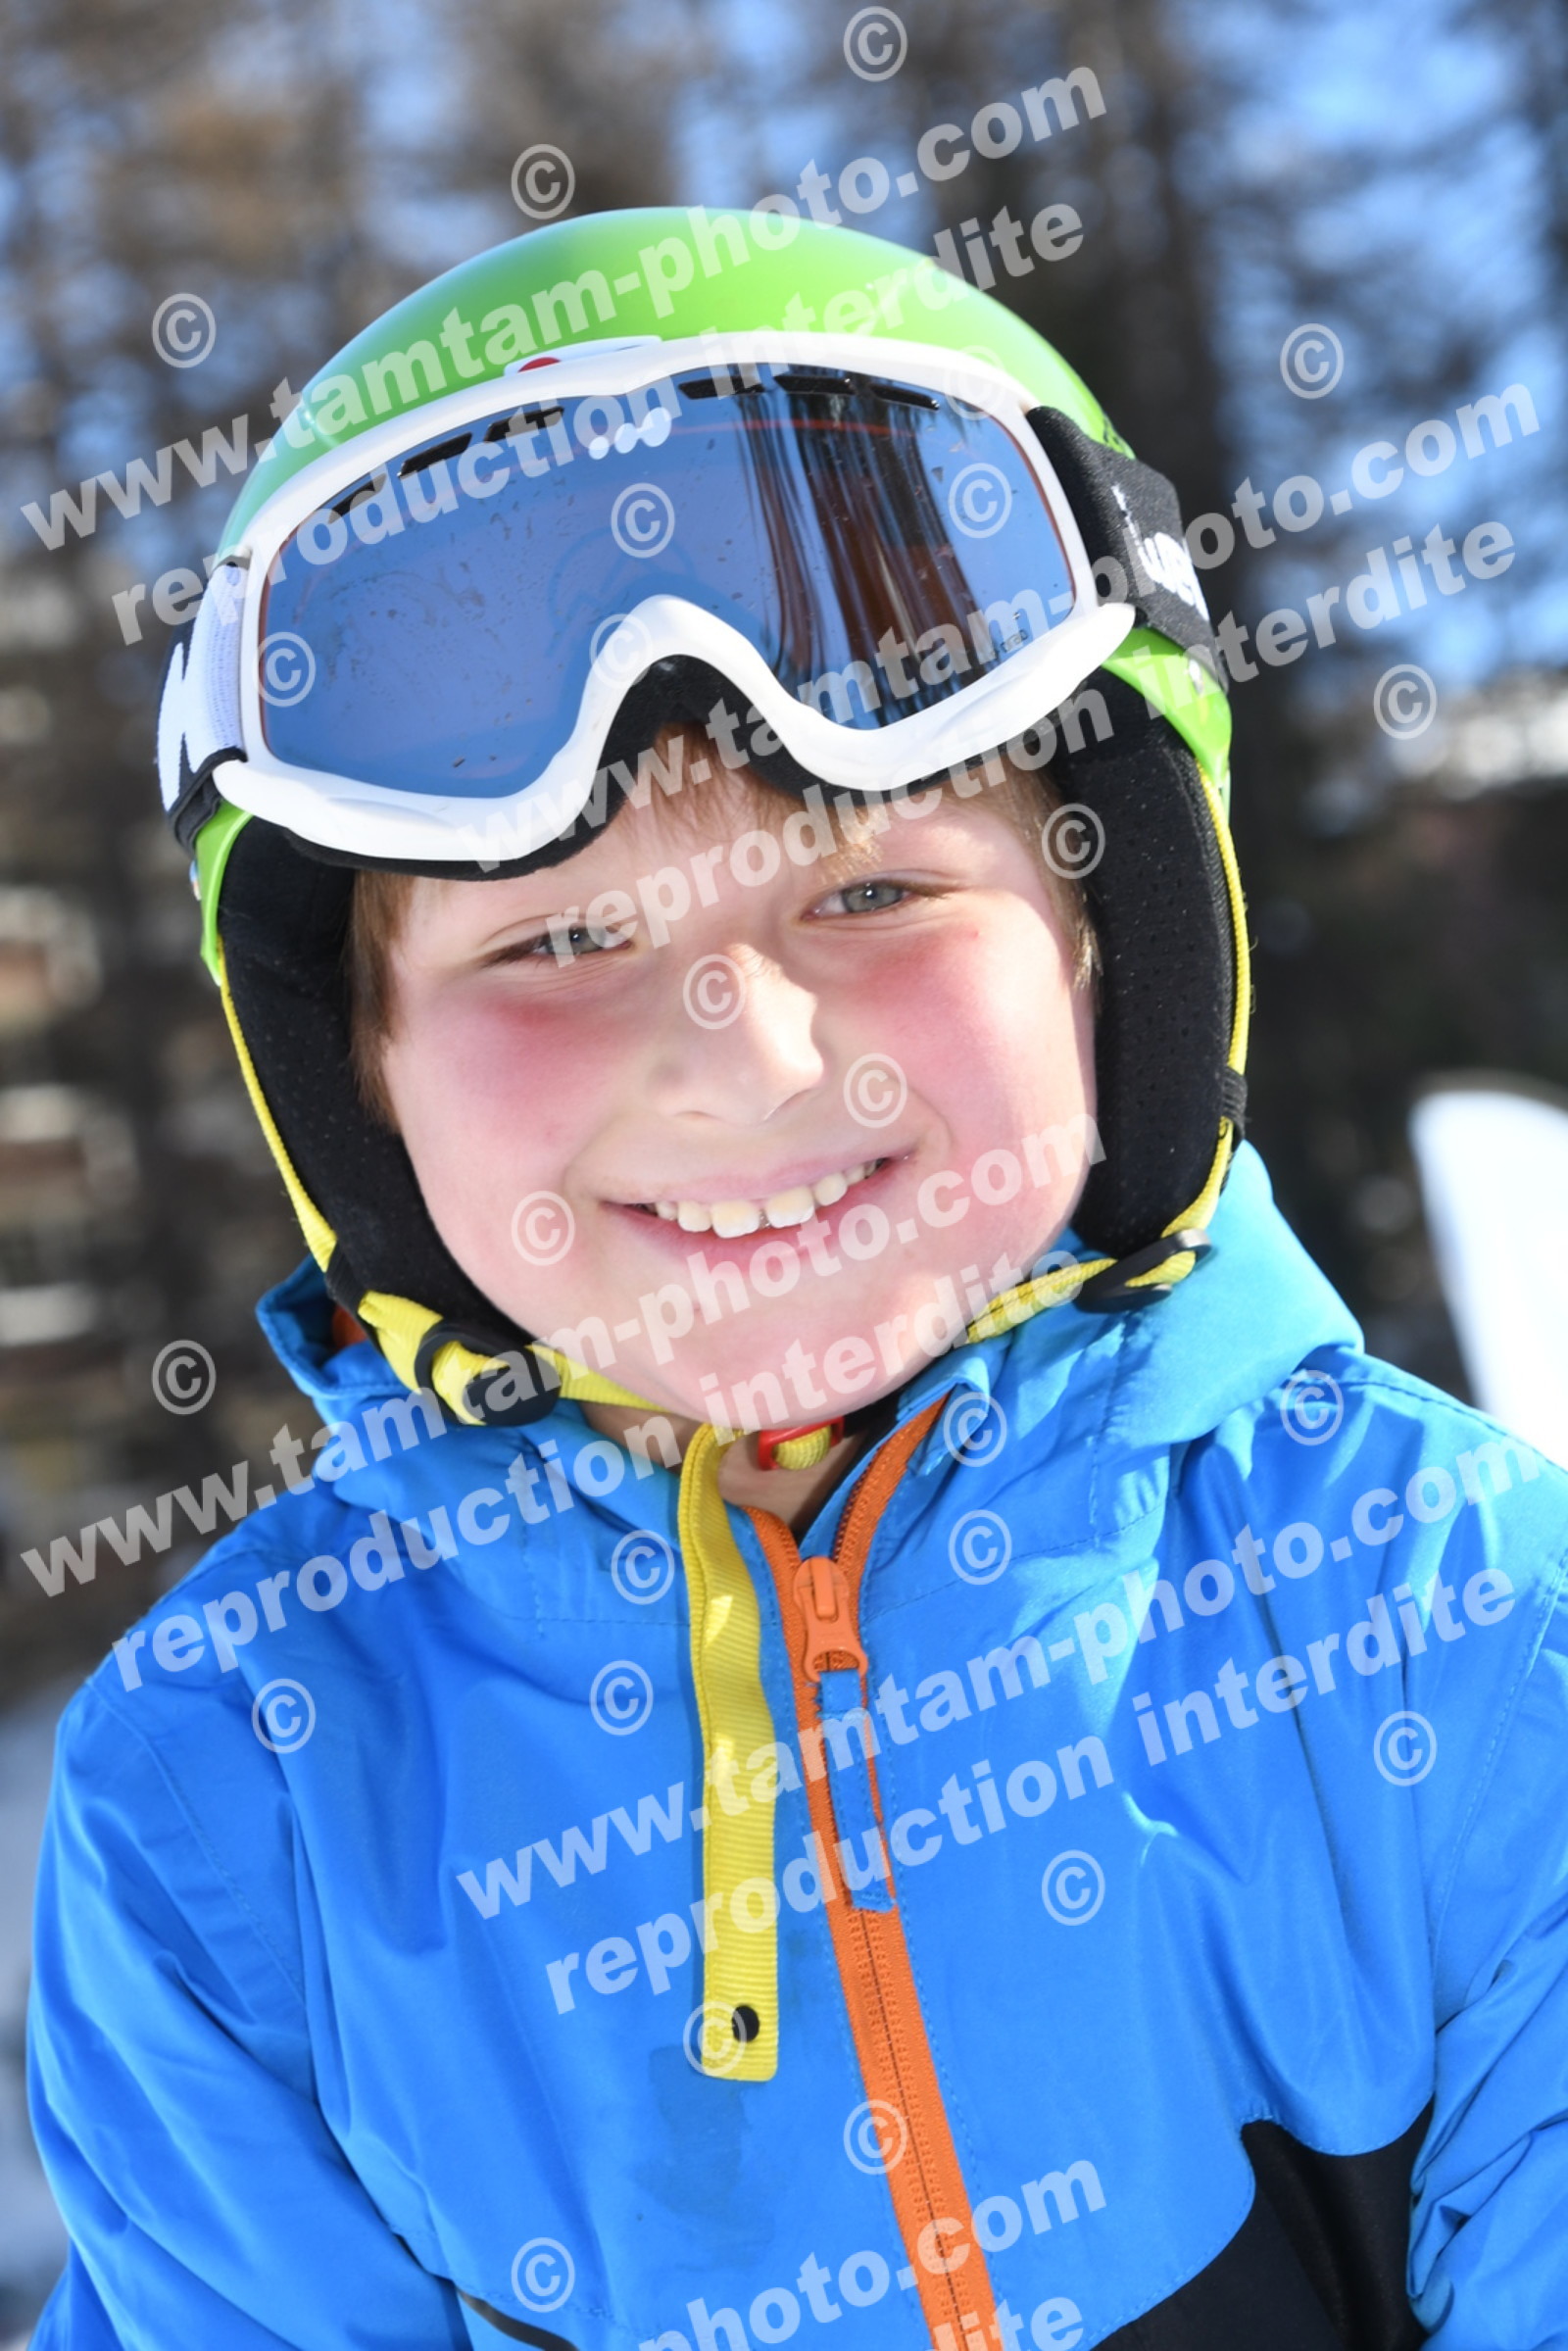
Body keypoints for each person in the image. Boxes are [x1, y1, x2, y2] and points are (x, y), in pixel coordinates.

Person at [26, 208, 1568, 2351]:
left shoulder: (1452, 1614)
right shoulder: (235, 1803)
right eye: (560, 939)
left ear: (1107, 944)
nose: (741, 1050)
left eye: (868, 890)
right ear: (355, 1080)